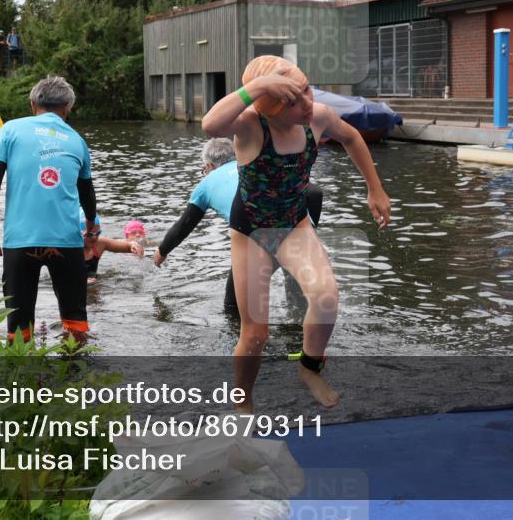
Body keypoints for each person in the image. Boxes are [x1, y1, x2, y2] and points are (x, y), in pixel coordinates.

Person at [201, 55, 390, 413]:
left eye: (306, 90)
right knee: (255, 334)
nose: (307, 103)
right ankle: (243, 401)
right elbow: (211, 125)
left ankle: (309, 367)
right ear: (270, 109)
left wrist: (374, 188)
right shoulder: (250, 125)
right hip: (252, 229)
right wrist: (258, 86)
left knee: (326, 297)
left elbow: (351, 137)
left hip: (293, 222)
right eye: (293, 101)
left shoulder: (317, 117)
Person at [0, 75, 98, 344]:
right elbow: (87, 193)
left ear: (33, 104)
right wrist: (90, 229)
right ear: (67, 108)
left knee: (18, 330)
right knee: (75, 324)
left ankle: (22, 369)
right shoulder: (77, 140)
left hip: (20, 242)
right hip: (66, 243)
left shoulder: (10, 130)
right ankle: (76, 368)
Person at [154, 137, 323, 314]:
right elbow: (314, 192)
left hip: (260, 237)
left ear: (210, 166)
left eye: (204, 169)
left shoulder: (206, 184)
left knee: (232, 307)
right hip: (299, 236)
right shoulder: (253, 168)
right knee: (299, 305)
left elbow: (184, 225)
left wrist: (162, 251)